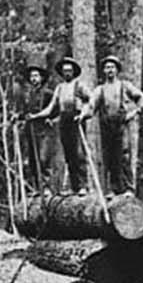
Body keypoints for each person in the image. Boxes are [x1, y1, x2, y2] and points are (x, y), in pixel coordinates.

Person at [84, 55, 143, 195]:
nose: (109, 70)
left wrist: (136, 111)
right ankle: (114, 189)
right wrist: (83, 115)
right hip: (107, 127)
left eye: (112, 67)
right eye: (107, 67)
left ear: (117, 70)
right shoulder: (100, 89)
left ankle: (129, 188)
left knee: (124, 156)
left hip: (122, 125)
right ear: (104, 71)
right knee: (110, 158)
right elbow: (91, 105)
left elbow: (142, 97)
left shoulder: (125, 86)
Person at [29, 58, 91, 193]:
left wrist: (83, 114)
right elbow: (51, 108)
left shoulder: (79, 85)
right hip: (64, 121)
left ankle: (83, 186)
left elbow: (90, 100)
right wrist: (36, 116)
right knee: (68, 155)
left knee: (79, 154)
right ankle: (74, 187)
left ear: (73, 72)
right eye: (64, 71)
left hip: (76, 120)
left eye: (69, 70)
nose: (67, 73)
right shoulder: (60, 87)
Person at [13, 64, 59, 193]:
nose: (34, 79)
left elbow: (58, 110)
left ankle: (47, 188)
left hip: (45, 130)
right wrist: (18, 116)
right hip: (31, 129)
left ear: (41, 78)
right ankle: (37, 188)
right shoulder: (28, 95)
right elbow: (25, 111)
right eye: (32, 76)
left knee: (44, 159)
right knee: (32, 160)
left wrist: (52, 119)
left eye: (36, 76)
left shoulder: (49, 93)